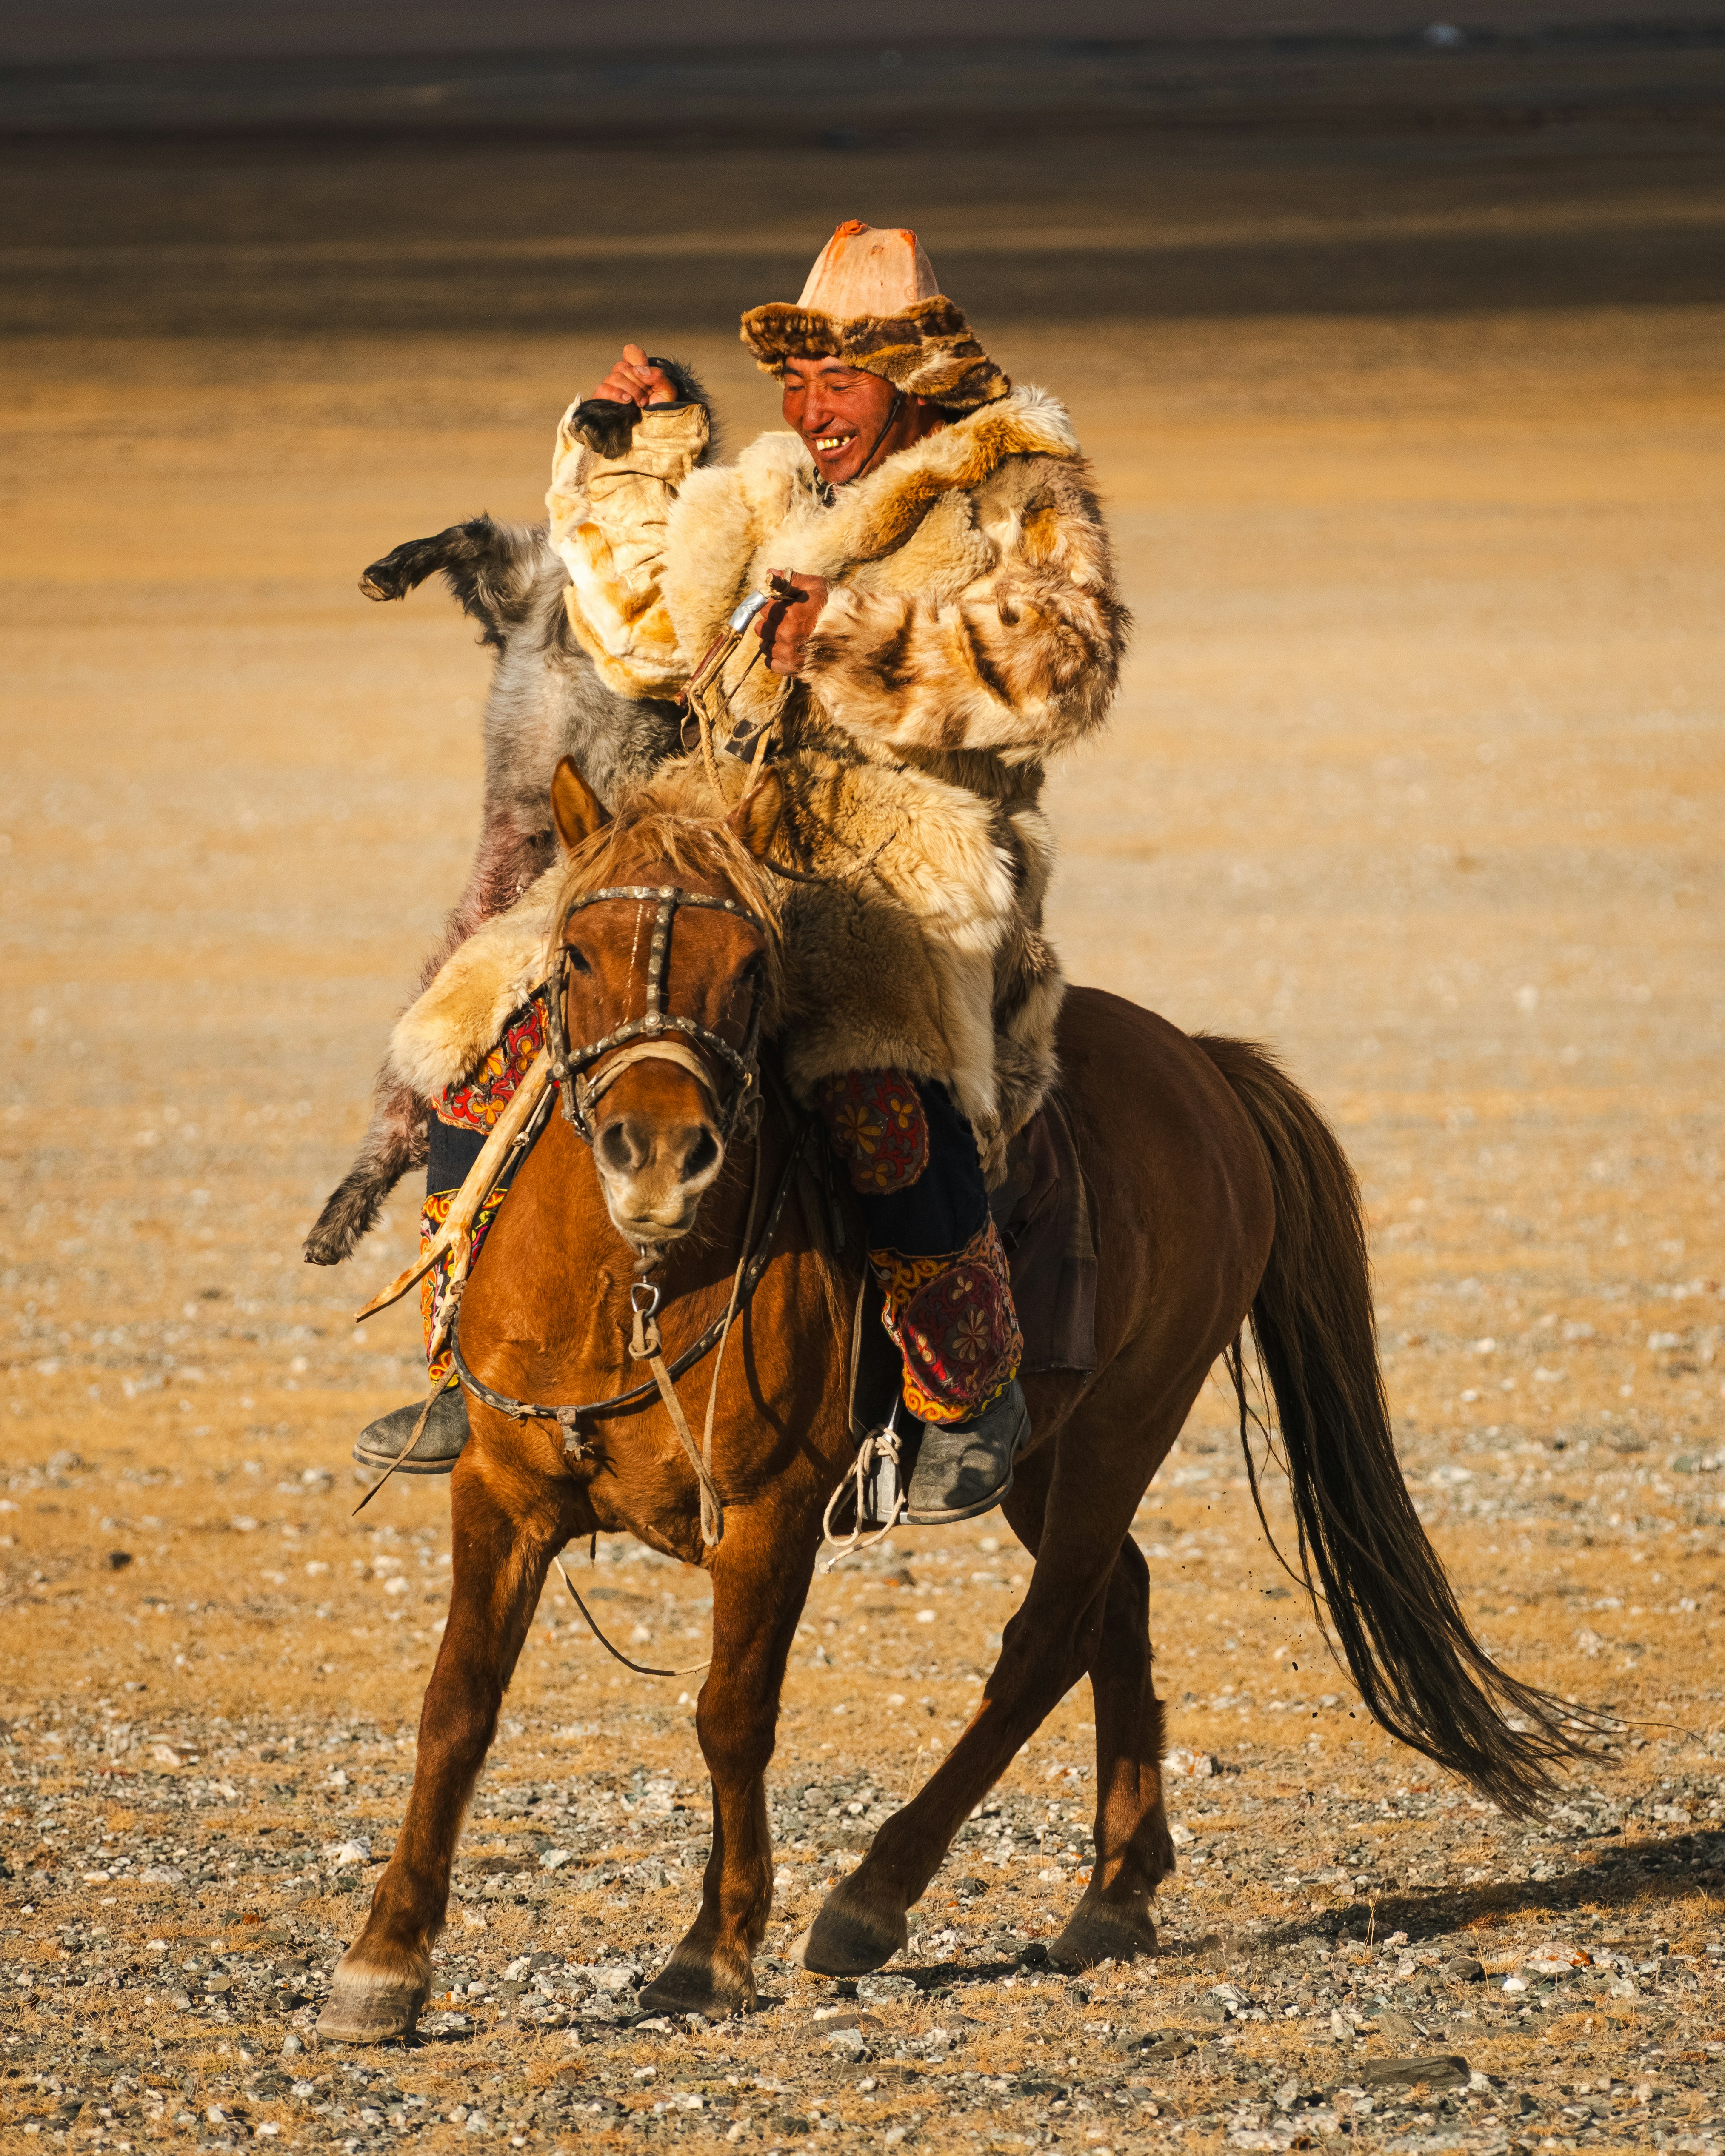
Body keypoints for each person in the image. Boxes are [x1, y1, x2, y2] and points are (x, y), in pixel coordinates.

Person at [356, 220, 1126, 1523]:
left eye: (844, 382)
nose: (814, 411)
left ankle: (964, 1385)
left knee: (873, 1064)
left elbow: (1068, 658)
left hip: (909, 849)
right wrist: (641, 450)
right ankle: (465, 1362)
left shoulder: (1012, 486)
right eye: (800, 382)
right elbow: (649, 633)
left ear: (916, 376)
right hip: (725, 830)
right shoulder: (767, 487)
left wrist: (855, 634)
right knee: (488, 1017)